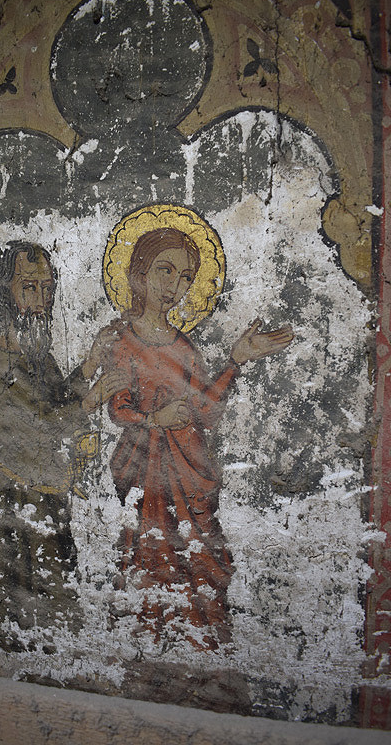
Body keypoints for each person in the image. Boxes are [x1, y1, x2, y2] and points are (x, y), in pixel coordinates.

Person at [105, 227, 293, 650]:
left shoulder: (185, 347)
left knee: (199, 559)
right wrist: (155, 418)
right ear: (139, 272)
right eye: (165, 271)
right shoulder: (123, 341)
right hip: (146, 472)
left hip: (190, 471)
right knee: (150, 556)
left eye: (186, 277)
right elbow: (118, 408)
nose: (175, 286)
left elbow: (206, 411)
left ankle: (201, 649)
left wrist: (236, 361)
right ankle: (149, 648)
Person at [0, 240, 124, 649]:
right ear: (3, 294)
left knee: (54, 578)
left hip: (47, 489)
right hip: (19, 493)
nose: (42, 299)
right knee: (26, 589)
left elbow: (58, 396)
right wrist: (93, 398)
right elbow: (41, 422)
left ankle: (50, 652)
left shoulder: (37, 355)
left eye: (47, 288)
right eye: (29, 288)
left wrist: (91, 362)